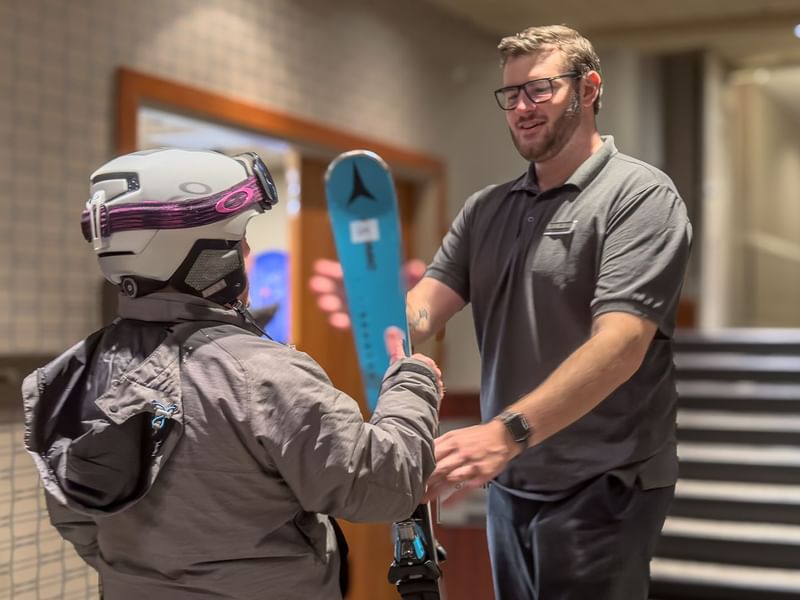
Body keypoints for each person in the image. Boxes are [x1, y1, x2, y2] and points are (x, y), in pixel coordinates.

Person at [311, 25, 692, 600]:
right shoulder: (486, 210)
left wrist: (509, 432)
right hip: (513, 477)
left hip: (604, 480)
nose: (521, 108)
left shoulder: (638, 196)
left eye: (538, 90)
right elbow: (425, 310)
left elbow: (621, 345)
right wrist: (379, 307)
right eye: (510, 95)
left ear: (588, 89)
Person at [22, 148, 444, 600]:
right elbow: (387, 484)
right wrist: (412, 383)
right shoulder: (264, 375)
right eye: (239, 236)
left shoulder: (62, 379)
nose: (247, 249)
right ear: (204, 253)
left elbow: (78, 522)